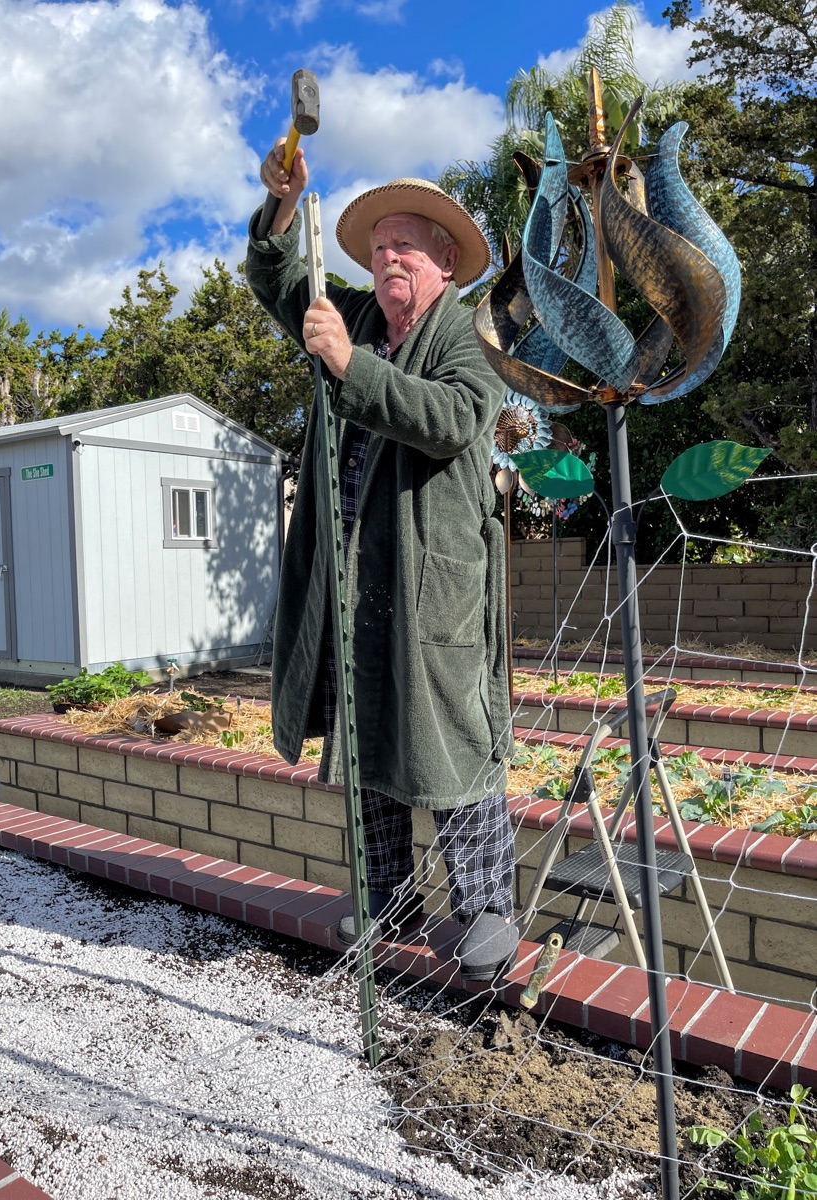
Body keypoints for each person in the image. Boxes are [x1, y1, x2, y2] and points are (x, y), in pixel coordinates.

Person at [245, 139, 517, 981]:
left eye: (406, 244)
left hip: (435, 594)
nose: (386, 256)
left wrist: (344, 363)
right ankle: (388, 900)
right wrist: (285, 212)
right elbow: (280, 283)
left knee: (456, 747)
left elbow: (451, 419)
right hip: (357, 588)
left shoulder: (469, 341)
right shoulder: (355, 315)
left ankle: (485, 919)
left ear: (442, 261)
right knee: (368, 751)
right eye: (377, 246)